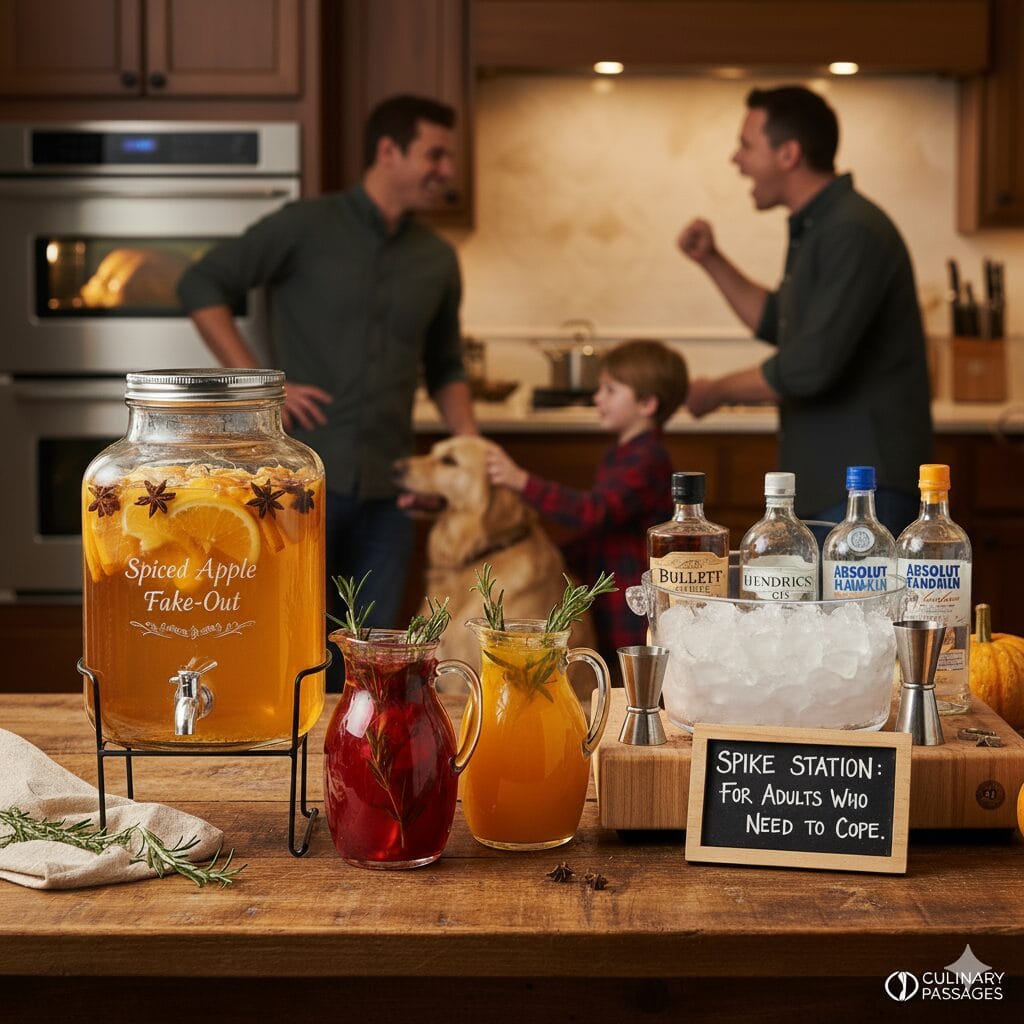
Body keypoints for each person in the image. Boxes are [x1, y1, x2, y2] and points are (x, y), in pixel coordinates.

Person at [177, 95, 479, 654]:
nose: (448, 172)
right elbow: (200, 283)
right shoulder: (304, 227)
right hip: (298, 484)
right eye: (435, 155)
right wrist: (262, 388)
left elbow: (445, 366)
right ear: (388, 151)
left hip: (391, 493)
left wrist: (475, 456)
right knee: (291, 646)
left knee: (370, 657)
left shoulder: (436, 259)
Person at [677, 85, 932, 537]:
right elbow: (781, 323)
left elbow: (808, 366)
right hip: (834, 484)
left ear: (788, 153)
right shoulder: (821, 227)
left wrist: (715, 391)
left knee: (858, 611)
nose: (736, 160)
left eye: (746, 145)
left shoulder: (852, 231)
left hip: (863, 493)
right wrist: (710, 259)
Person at [486, 340, 688, 669]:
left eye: (610, 390)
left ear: (647, 403)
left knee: (628, 676)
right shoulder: (620, 453)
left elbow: (594, 512)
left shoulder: (648, 458)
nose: (597, 398)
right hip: (607, 590)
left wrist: (522, 481)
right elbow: (602, 530)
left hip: (630, 600)